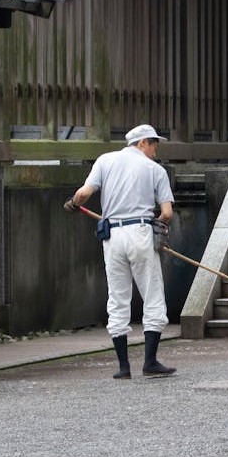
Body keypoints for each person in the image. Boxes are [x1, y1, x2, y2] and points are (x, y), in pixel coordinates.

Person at [64, 124, 177, 379]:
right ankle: (150, 362)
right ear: (142, 142)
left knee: (117, 297)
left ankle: (123, 367)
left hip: (112, 235)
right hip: (140, 231)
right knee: (152, 295)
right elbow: (167, 213)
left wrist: (73, 204)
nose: (156, 150)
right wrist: (158, 228)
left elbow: (83, 193)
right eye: (154, 144)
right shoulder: (155, 170)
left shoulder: (105, 160)